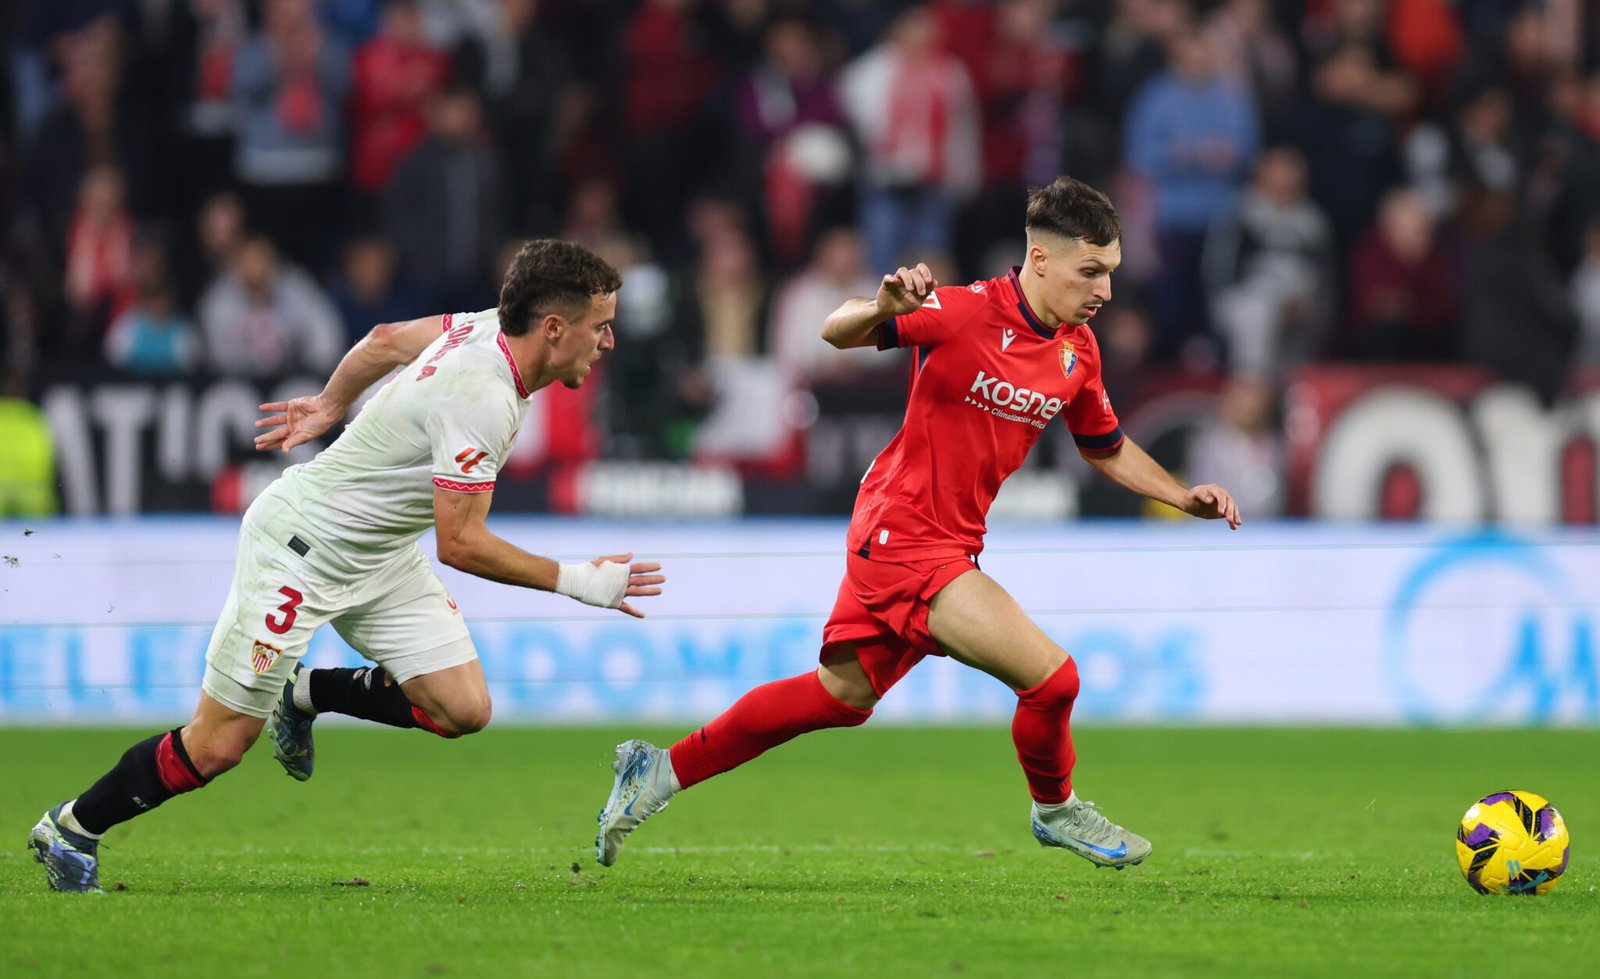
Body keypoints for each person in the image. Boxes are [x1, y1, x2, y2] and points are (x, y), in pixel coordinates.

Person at [594, 177, 1240, 871]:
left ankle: (658, 769)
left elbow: (1105, 446)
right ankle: (1055, 808)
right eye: (1092, 271)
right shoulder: (962, 311)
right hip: (903, 532)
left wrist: (1178, 495)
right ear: (1042, 261)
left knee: (838, 697)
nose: (1105, 291)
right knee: (1053, 679)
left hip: (945, 538)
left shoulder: (1078, 352)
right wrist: (881, 305)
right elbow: (833, 331)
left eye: (1110, 272)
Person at [29, 239, 666, 893]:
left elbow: (389, 339)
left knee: (462, 707)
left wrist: (333, 403)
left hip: (379, 553)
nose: (609, 341)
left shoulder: (486, 327)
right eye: (600, 325)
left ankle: (304, 692)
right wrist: (580, 580)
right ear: (554, 328)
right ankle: (72, 827)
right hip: (301, 550)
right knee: (219, 744)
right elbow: (462, 543)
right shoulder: (483, 395)